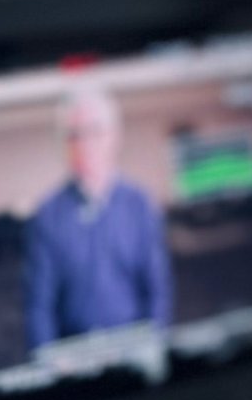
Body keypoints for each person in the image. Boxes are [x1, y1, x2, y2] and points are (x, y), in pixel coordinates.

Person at [22, 85, 172, 348]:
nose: (84, 144)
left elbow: (158, 291)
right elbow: (38, 306)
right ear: (62, 144)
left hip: (134, 346)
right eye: (73, 135)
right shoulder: (47, 215)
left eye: (94, 131)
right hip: (73, 354)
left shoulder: (139, 204)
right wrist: (48, 362)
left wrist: (154, 347)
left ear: (114, 136)